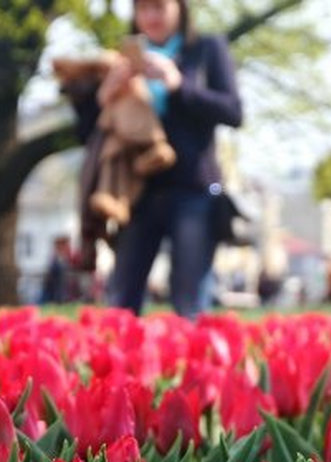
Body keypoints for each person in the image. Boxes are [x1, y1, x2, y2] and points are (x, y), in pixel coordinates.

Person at [73, 0, 243, 319]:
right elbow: (86, 134)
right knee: (122, 294)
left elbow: (232, 111)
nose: (150, 16)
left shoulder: (205, 49)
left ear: (179, 8)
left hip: (193, 187)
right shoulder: (119, 60)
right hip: (136, 190)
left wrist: (178, 84)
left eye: (159, 6)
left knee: (190, 298)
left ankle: (195, 365)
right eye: (142, 8)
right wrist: (104, 95)